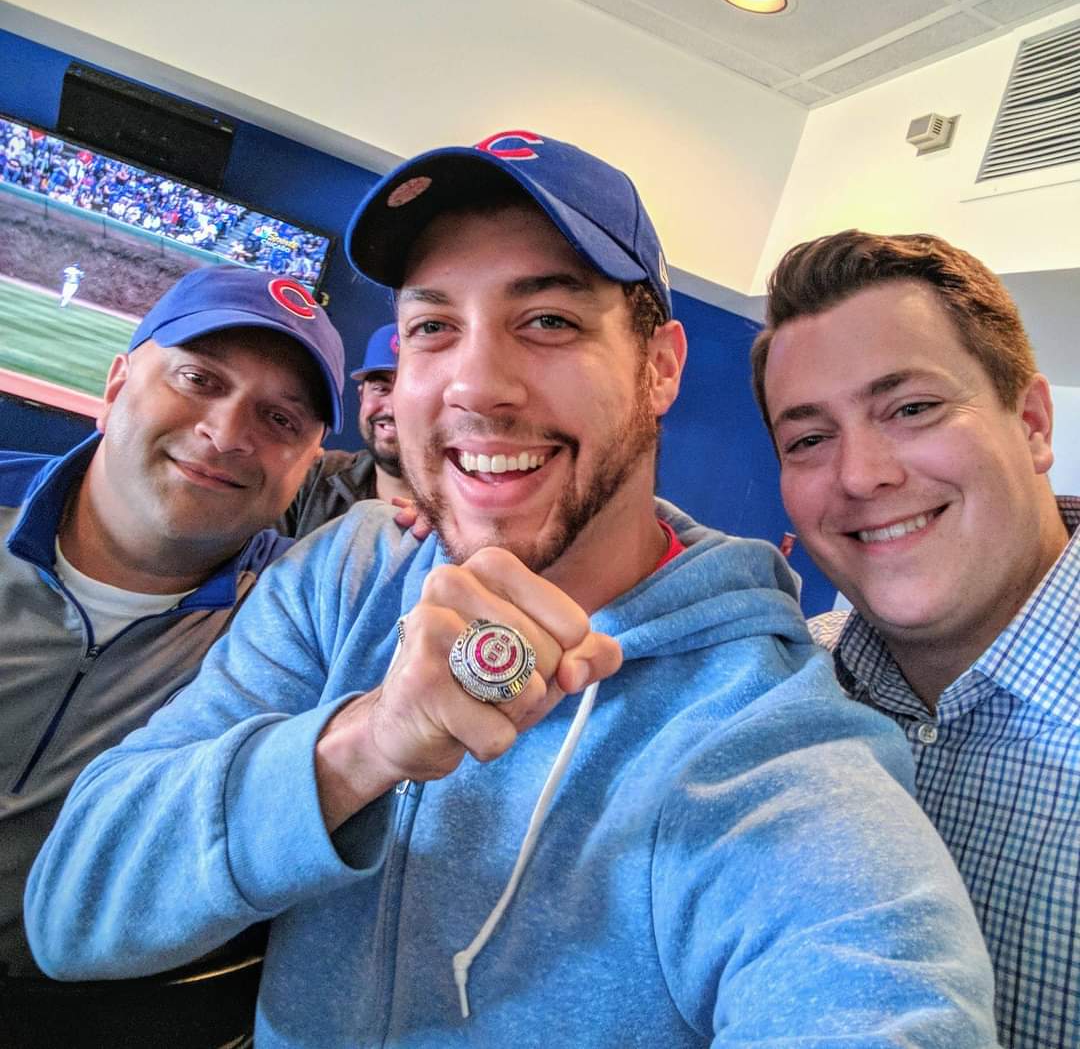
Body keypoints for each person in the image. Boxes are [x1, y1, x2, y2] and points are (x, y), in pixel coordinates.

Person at [27, 135, 997, 1048]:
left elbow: (879, 984)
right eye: (433, 327)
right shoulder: (347, 574)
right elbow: (73, 909)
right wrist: (362, 742)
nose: (476, 384)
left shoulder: (757, 732)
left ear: (659, 368)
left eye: (547, 321)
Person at [1, 264, 345, 1048]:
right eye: (198, 378)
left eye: (281, 418)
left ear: (311, 463)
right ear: (117, 381)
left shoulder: (302, 625)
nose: (227, 432)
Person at [751, 229, 1077, 1049]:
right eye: (809, 439)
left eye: (912, 408)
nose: (862, 475)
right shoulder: (773, 689)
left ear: (1033, 423)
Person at [278, 322, 410, 538]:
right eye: (381, 389)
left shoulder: (469, 507)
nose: (392, 407)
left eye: (410, 392)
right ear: (361, 396)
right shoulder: (313, 476)